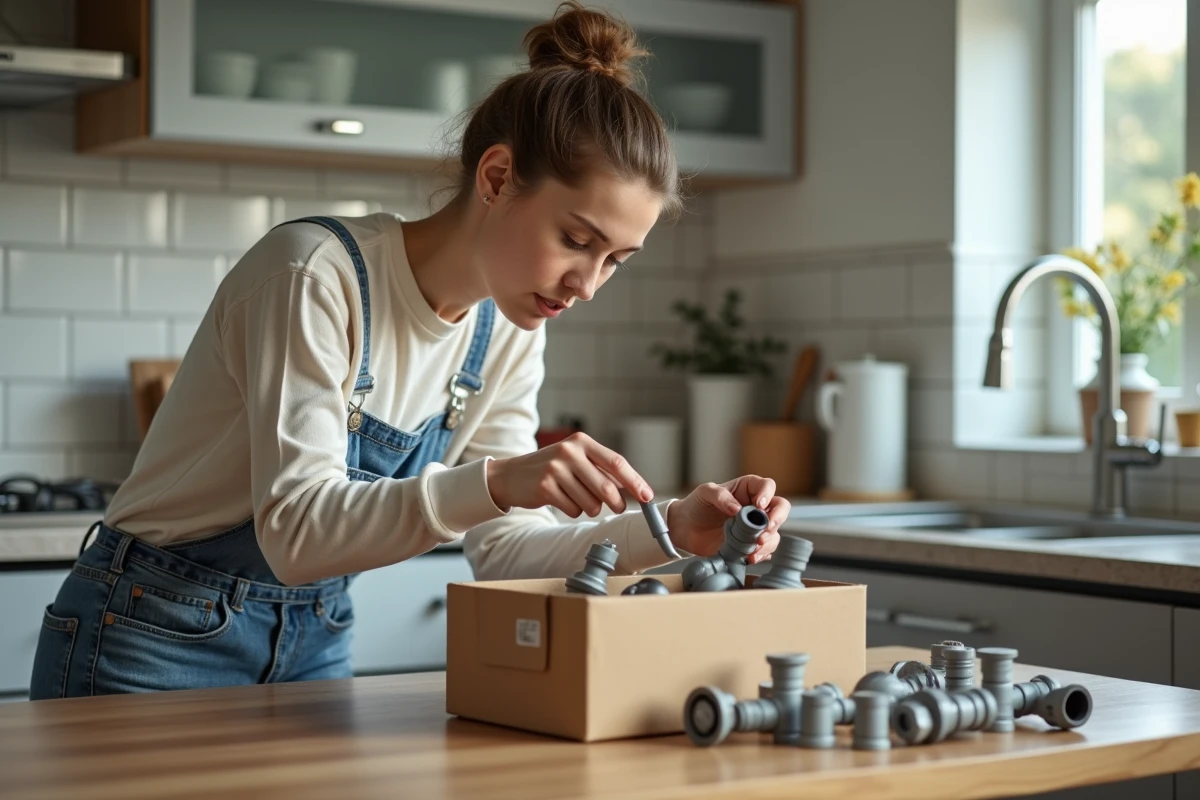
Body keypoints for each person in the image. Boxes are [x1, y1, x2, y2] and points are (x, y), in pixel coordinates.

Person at [28, 1, 788, 700]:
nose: (587, 284)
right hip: (150, 630)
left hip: (315, 630)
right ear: (497, 177)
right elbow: (297, 533)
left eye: (615, 260)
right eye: (576, 240)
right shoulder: (313, 275)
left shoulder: (507, 331)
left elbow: (505, 550)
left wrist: (669, 529)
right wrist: (498, 481)